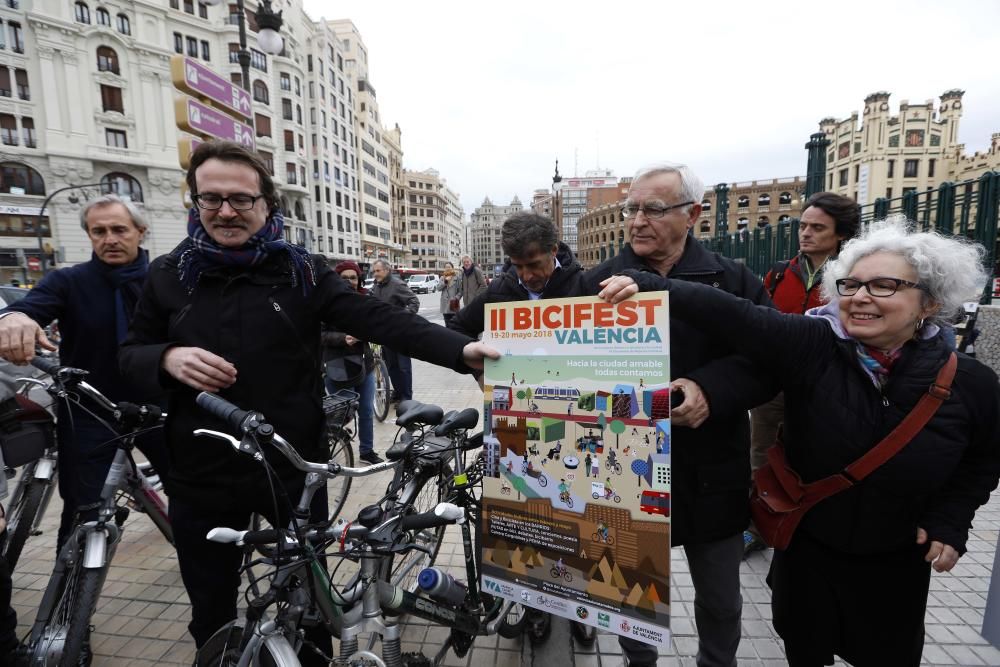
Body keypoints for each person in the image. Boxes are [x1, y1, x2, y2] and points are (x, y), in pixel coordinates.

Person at [118, 140, 496, 656]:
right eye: (211, 199)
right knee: (210, 609)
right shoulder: (168, 273)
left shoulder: (301, 271)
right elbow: (130, 354)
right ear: (195, 202)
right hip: (199, 467)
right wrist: (165, 358)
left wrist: (462, 351)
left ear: (266, 204)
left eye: (241, 199)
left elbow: (380, 320)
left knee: (310, 603)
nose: (226, 211)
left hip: (291, 465)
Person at [600, 217, 1000, 666]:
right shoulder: (816, 344)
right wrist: (650, 284)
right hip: (808, 550)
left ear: (929, 302)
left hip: (896, 562)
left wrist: (950, 519)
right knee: (804, 649)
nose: (861, 297)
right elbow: (741, 317)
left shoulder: (972, 384)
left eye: (885, 286)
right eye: (850, 285)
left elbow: (982, 462)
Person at [583, 162, 776, 667]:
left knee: (721, 599)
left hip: (711, 470)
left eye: (653, 209)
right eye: (632, 209)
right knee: (631, 594)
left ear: (693, 214)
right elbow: (566, 373)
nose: (637, 221)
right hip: (625, 472)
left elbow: (770, 362)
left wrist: (710, 389)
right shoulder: (594, 283)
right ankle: (637, 660)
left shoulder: (733, 279)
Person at [0, 194, 169, 550]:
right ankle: (70, 594)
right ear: (90, 236)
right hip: (90, 409)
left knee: (194, 495)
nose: (110, 239)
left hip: (160, 407)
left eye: (119, 229)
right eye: (99, 231)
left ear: (141, 231)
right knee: (81, 509)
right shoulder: (69, 281)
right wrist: (14, 318)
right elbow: (30, 308)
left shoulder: (165, 279)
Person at [745, 192, 860, 556]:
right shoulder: (780, 273)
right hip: (775, 380)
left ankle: (810, 525)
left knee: (815, 452)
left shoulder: (854, 277)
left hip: (826, 384)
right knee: (760, 451)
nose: (806, 233)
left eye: (817, 227)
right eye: (803, 225)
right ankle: (759, 526)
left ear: (840, 234)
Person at [448, 212, 585, 338]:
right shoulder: (497, 291)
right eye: (518, 266)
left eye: (534, 265)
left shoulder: (585, 287)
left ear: (553, 250)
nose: (526, 276)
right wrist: (475, 356)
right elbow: (457, 327)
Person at [321, 261, 382, 464]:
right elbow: (317, 335)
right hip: (338, 365)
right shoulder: (325, 302)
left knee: (365, 410)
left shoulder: (365, 299)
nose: (349, 281)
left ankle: (367, 451)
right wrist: (342, 338)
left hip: (366, 364)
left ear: (359, 279)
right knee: (341, 414)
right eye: (344, 278)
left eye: (353, 277)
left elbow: (377, 324)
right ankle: (327, 451)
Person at [370, 259, 419, 402]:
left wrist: (402, 318)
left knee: (403, 367)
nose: (375, 274)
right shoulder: (376, 286)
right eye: (374, 271)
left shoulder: (397, 284)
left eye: (378, 271)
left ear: (386, 270)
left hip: (400, 333)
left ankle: (406, 398)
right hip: (385, 333)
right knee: (391, 366)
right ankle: (398, 393)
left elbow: (414, 302)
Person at [436, 261, 462, 327]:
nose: (448, 268)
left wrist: (456, 298)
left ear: (452, 268)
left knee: (455, 323)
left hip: (454, 303)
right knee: (447, 323)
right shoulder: (442, 278)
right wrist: (445, 281)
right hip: (445, 304)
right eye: (446, 267)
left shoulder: (457, 278)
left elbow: (461, 291)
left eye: (449, 267)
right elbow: (438, 288)